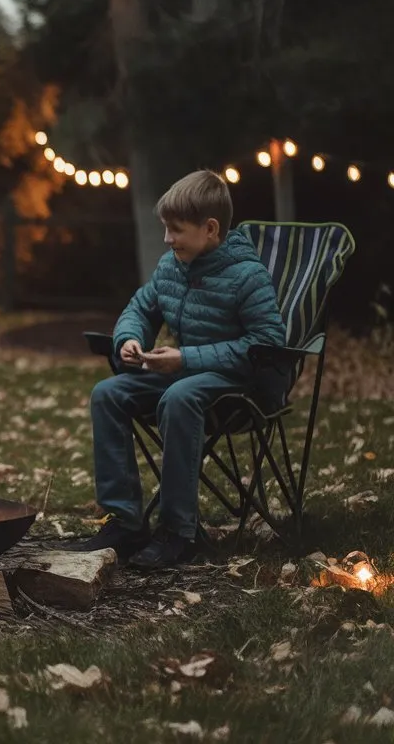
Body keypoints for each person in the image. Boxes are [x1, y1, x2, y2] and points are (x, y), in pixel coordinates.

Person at [65, 169, 287, 570]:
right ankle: (126, 524)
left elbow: (267, 345)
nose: (167, 239)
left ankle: (178, 532)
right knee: (108, 393)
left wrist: (186, 359)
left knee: (179, 396)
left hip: (244, 385)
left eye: (176, 230)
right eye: (165, 229)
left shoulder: (247, 276)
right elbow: (139, 308)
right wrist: (128, 341)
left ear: (211, 229)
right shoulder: (172, 267)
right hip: (185, 379)